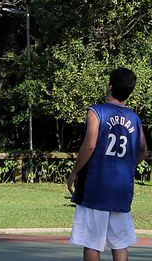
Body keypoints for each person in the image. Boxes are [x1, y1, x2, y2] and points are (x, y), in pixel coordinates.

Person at [67, 67, 148, 261]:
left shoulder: (96, 112)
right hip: (121, 188)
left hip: (97, 186)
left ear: (110, 87)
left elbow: (90, 145)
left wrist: (74, 172)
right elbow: (144, 151)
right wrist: (128, 167)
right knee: (120, 243)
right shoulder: (135, 118)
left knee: (92, 243)